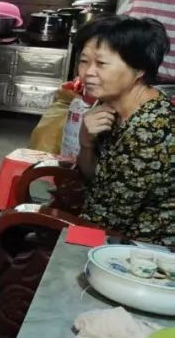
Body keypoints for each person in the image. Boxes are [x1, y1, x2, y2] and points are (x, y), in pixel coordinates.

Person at [75, 15, 174, 246]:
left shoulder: (149, 131)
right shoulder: (109, 103)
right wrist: (86, 142)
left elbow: (108, 220)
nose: (88, 72)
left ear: (139, 69)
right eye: (84, 61)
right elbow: (93, 178)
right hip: (109, 228)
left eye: (101, 64)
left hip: (146, 250)